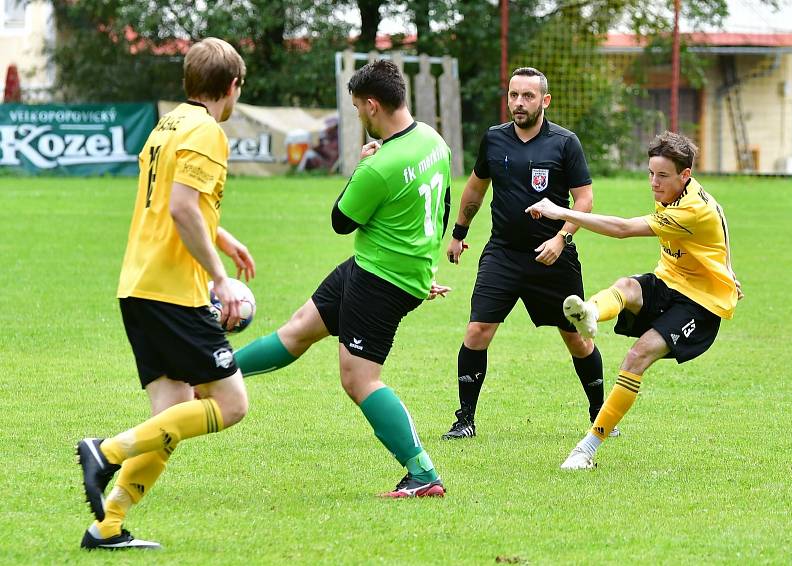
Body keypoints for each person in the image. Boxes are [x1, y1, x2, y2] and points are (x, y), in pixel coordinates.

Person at [234, 60, 452, 497]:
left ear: (373, 105)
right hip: (375, 267)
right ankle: (212, 373)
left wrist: (360, 167)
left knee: (359, 380)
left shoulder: (380, 165)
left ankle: (423, 474)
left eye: (357, 108)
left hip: (382, 279)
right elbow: (442, 206)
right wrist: (422, 267)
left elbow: (340, 220)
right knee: (298, 329)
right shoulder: (433, 140)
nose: (357, 116)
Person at [76, 37, 255, 549]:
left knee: (171, 413)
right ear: (233, 85)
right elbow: (179, 208)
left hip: (138, 284)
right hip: (175, 290)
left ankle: (107, 525)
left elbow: (171, 202)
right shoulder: (206, 131)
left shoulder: (169, 123)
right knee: (230, 403)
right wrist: (220, 278)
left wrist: (221, 234)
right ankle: (105, 451)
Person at [526, 131, 742, 469]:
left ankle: (586, 449)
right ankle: (591, 312)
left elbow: (624, 228)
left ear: (685, 175)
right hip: (670, 279)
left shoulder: (693, 209)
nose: (654, 183)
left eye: (662, 176)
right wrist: (728, 268)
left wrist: (560, 212)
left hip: (700, 304)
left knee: (637, 356)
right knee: (626, 285)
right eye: (650, 173)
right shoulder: (676, 188)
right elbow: (723, 220)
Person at [442, 66, 613, 440]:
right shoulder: (494, 139)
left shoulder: (565, 143)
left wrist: (561, 238)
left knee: (577, 338)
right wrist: (458, 233)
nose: (519, 103)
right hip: (503, 254)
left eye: (528, 96)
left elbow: (584, 199)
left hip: (553, 256)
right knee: (476, 331)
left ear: (544, 101)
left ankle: (601, 416)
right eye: (514, 95)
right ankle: (465, 420)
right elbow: (475, 188)